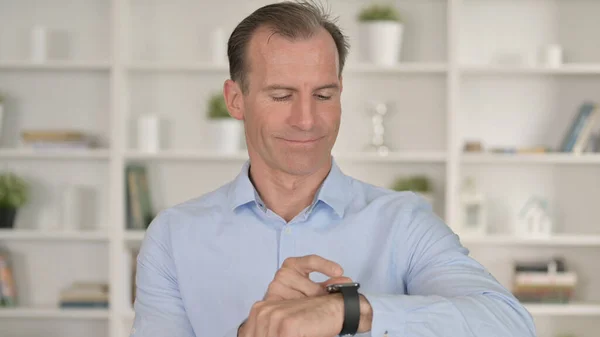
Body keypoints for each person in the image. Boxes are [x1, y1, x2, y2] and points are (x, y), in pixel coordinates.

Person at [130, 1, 537, 337]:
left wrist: (348, 313)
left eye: (323, 94)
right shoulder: (173, 237)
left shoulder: (403, 222)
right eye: (281, 95)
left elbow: (510, 324)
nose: (306, 119)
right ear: (235, 100)